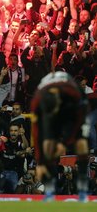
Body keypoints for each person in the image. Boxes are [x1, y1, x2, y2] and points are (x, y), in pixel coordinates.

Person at [31, 71, 91, 202]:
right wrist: (40, 161)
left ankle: (82, 186)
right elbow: (36, 133)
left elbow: (77, 125)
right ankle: (49, 188)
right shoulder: (37, 102)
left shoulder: (74, 95)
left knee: (81, 143)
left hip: (76, 110)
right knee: (48, 146)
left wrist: (64, 143)